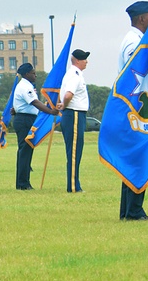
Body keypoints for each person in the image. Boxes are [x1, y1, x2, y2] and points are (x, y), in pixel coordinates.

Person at [118, 1, 148, 220]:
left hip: (136, 107)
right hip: (137, 107)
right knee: (138, 159)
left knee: (133, 159)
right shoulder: (135, 42)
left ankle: (127, 210)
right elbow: (136, 74)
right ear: (142, 18)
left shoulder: (135, 39)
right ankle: (133, 211)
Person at [12, 63, 58, 190]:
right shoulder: (25, 86)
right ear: (26, 74)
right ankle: (22, 183)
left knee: (26, 151)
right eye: (33, 73)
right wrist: (51, 111)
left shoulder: (25, 86)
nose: (35, 75)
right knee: (25, 151)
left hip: (26, 118)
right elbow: (35, 102)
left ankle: (23, 181)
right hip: (25, 120)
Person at [57, 49, 90, 193]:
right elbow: (69, 94)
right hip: (74, 114)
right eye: (84, 59)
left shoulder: (74, 74)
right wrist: (64, 105)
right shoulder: (74, 75)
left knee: (75, 151)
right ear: (77, 60)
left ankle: (75, 183)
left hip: (75, 114)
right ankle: (73, 186)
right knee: (74, 152)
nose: (86, 62)